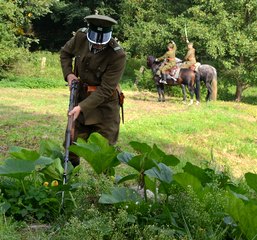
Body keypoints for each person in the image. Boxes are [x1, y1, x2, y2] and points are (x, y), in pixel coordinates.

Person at [60, 14, 126, 167]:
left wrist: (81, 107)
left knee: (105, 151)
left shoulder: (118, 55)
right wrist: (69, 74)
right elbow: (65, 53)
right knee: (72, 144)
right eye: (94, 40)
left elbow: (106, 89)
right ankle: (70, 179)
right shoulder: (80, 37)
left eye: (101, 43)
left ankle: (104, 185)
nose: (97, 45)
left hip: (105, 107)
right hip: (81, 97)